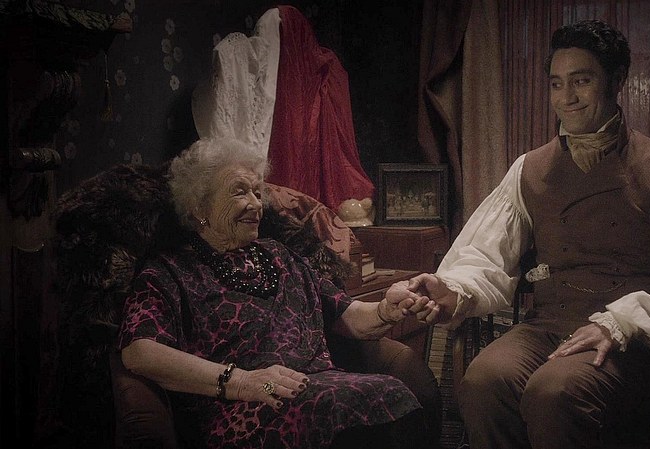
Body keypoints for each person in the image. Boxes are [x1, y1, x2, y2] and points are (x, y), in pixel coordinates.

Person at [407, 19, 650, 449]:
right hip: (548, 326)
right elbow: (484, 254)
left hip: (627, 341)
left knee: (553, 394)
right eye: (556, 84)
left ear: (617, 80)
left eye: (582, 81)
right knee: (483, 381)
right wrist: (453, 288)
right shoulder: (530, 169)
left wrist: (620, 323)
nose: (567, 98)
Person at [118, 137, 438, 449]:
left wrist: (385, 310)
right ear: (199, 206)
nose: (256, 204)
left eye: (258, 192)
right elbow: (140, 352)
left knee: (390, 394)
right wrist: (242, 382)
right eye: (240, 191)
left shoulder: (278, 255)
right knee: (360, 404)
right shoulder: (169, 272)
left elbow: (344, 313)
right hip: (245, 408)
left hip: (319, 388)